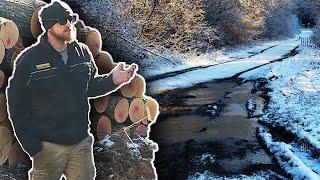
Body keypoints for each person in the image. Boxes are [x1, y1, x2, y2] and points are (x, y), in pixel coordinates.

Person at [6, 1, 137, 179]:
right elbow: (16, 103)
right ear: (49, 26)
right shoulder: (29, 59)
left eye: (71, 18)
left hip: (81, 144)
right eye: (63, 20)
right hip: (47, 148)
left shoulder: (82, 52)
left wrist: (114, 80)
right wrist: (32, 146)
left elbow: (90, 87)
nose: (69, 24)